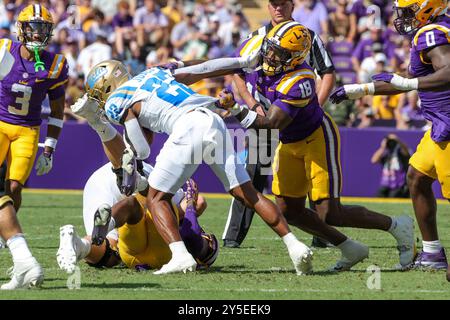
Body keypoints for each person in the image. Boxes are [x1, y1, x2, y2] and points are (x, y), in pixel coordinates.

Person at [172, 21, 416, 271]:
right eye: (269, 48)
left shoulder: (300, 80)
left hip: (315, 137)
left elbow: (270, 125)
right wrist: (180, 67)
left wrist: (235, 108)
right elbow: (222, 65)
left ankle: (396, 225)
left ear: (295, 57)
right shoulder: (257, 50)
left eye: (278, 53)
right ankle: (349, 248)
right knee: (289, 210)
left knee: (329, 212)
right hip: (289, 141)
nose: (269, 55)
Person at [73, 58, 314, 276]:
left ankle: (180, 256)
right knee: (247, 193)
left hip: (187, 126)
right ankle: (294, 245)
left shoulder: (117, 101)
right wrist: (241, 61)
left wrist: (127, 155)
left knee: (156, 198)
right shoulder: (153, 73)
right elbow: (202, 69)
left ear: (105, 89)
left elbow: (143, 151)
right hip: (212, 120)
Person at [330, 0, 450, 273]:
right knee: (417, 177)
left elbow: (448, 72)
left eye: (409, 10)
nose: (403, 17)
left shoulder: (430, 33)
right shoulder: (437, 28)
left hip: (449, 125)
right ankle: (432, 253)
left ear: (427, 8)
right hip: (439, 125)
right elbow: (404, 79)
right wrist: (360, 89)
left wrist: (408, 84)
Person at [222, 0, 336, 249]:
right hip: (262, 116)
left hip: (294, 116)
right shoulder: (254, 37)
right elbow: (237, 73)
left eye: (283, 4)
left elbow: (327, 72)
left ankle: (323, 234)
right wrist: (252, 104)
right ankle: (233, 237)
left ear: (292, 6)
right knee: (251, 175)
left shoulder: (307, 37)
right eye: (274, 4)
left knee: (311, 178)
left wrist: (313, 104)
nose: (278, 9)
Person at [0, 4, 69, 289]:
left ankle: (6, 233)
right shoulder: (4, 49)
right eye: (33, 27)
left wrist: (50, 147)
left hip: (28, 129)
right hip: (0, 121)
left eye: (43, 28)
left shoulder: (56, 64)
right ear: (21, 28)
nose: (38, 33)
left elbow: (57, 108)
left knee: (14, 188)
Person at [371, 134, 410, 198]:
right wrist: (383, 147)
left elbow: (406, 151)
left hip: (399, 185)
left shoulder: (400, 153)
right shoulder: (386, 154)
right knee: (378, 197)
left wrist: (397, 140)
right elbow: (373, 160)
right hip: (386, 184)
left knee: (393, 197)